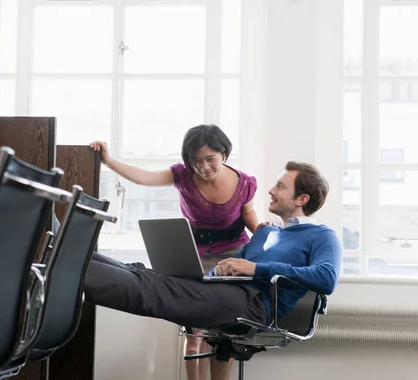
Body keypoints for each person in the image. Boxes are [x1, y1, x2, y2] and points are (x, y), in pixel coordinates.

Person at [84, 161, 342, 380]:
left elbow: (326, 278)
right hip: (225, 290)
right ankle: (71, 254)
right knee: (145, 273)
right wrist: (215, 271)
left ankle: (71, 272)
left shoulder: (322, 236)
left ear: (302, 199)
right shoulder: (266, 231)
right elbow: (236, 263)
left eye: (281, 187)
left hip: (253, 306)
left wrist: (258, 268)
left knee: (154, 291)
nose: (271, 191)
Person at [91, 124, 259, 380]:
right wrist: (109, 161)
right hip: (193, 257)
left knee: (223, 336)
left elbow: (248, 214)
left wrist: (267, 236)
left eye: (210, 159)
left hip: (232, 258)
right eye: (196, 161)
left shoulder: (244, 182)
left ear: (224, 154)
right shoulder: (182, 175)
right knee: (194, 334)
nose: (204, 167)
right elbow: (143, 177)